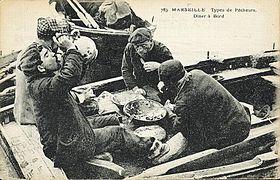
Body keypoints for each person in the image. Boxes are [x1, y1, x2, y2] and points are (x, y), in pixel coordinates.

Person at [18, 36, 169, 172]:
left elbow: (71, 77)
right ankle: (153, 149)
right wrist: (71, 48)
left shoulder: (41, 80)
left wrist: (69, 54)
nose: (52, 54)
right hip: (68, 145)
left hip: (69, 130)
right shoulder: (42, 87)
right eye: (47, 55)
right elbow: (69, 75)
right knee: (118, 133)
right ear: (40, 67)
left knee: (112, 119)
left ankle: (112, 146)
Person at [158, 60, 251, 154]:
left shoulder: (185, 100)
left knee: (190, 138)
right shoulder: (197, 73)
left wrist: (169, 112)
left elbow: (178, 127)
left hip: (234, 133)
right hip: (242, 118)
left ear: (171, 83)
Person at [14, 17, 71, 124]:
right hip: (34, 118)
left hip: (21, 112)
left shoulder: (30, 51)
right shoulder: (45, 59)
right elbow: (61, 83)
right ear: (55, 38)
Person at [121, 27, 173, 103]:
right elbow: (126, 69)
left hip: (161, 83)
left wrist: (159, 66)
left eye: (143, 45)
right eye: (137, 46)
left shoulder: (162, 50)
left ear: (151, 41)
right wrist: (135, 88)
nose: (140, 49)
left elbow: (173, 69)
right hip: (142, 83)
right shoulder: (130, 48)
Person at [49, 0, 147, 30]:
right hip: (84, 14)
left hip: (100, 13)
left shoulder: (119, 4)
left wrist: (133, 26)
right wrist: (61, 16)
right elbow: (56, 4)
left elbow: (135, 20)